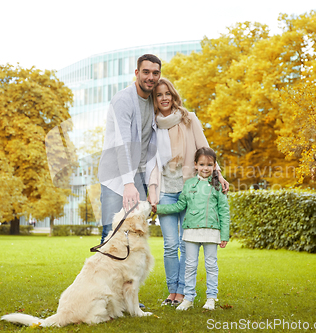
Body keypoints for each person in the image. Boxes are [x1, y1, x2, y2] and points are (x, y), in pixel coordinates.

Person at [151, 78, 229, 306]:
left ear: (174, 96)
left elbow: (205, 149)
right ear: (154, 100)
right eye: (159, 95)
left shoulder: (189, 119)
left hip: (189, 190)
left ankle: (184, 292)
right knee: (170, 245)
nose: (164, 98)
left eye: (167, 93)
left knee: (187, 243)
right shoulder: (153, 125)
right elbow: (151, 161)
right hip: (166, 189)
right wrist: (152, 191)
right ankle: (172, 291)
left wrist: (219, 174)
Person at [153, 147, 230, 311]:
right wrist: (159, 209)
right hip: (191, 232)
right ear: (195, 165)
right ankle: (188, 298)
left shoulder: (217, 186)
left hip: (211, 232)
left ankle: (211, 298)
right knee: (190, 266)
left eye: (209, 164)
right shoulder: (188, 185)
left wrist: (224, 235)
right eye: (202, 164)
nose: (205, 168)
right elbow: (180, 205)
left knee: (211, 265)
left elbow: (224, 211)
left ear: (214, 166)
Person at [98, 54, 161, 244]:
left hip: (139, 175)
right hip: (115, 176)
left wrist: (152, 186)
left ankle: (127, 274)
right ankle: (103, 273)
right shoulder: (123, 100)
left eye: (155, 73)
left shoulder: (153, 101)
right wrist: (128, 184)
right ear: (137, 73)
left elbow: (151, 147)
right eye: (146, 72)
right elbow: (123, 144)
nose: (150, 77)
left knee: (135, 232)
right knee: (112, 230)